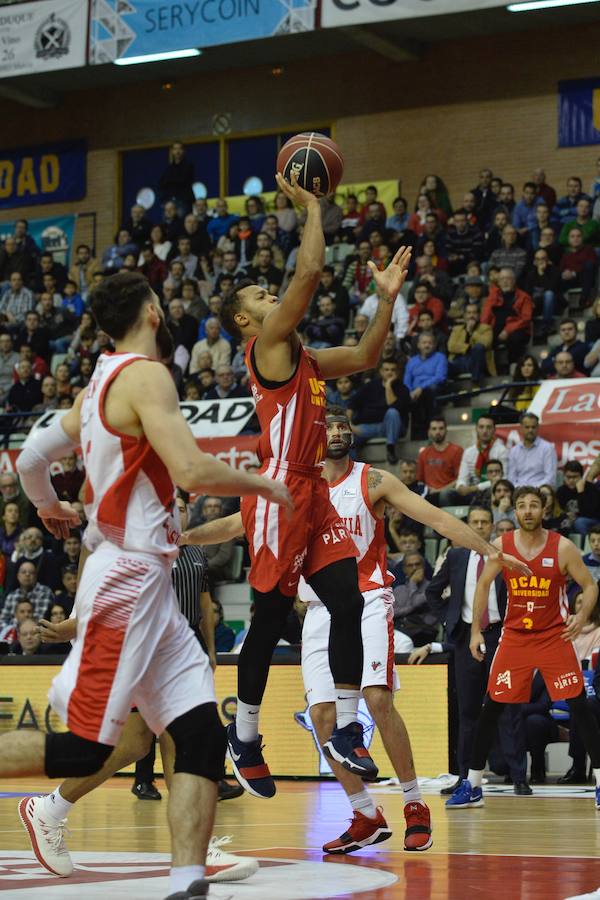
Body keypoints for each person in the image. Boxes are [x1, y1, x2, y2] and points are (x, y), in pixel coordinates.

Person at [1, 271, 291, 900]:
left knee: (198, 736)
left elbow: (27, 461)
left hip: (149, 582)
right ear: (154, 313)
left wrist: (49, 505)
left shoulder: (96, 384)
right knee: (82, 750)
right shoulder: (147, 374)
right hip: (127, 577)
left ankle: (187, 883)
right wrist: (266, 485)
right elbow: (189, 467)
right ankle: (45, 808)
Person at [184, 407, 529, 851]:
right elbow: (237, 526)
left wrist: (489, 551)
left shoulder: (373, 482)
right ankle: (366, 814)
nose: (339, 432)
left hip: (366, 599)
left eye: (345, 425)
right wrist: (186, 538)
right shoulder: (294, 488)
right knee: (322, 716)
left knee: (377, 699)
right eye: (330, 426)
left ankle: (413, 805)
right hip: (318, 610)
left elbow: (437, 520)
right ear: (311, 436)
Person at [218, 171, 414, 799]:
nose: (274, 301)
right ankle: (244, 736)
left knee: (350, 601)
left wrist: (385, 300)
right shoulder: (270, 345)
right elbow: (305, 279)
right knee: (273, 616)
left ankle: (348, 728)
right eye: (262, 299)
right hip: (279, 492)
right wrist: (313, 207)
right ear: (249, 322)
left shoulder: (304, 359)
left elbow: (362, 356)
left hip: (314, 492)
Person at [446, 487, 600, 810]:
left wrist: (581, 615)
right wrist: (476, 631)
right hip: (515, 636)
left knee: (579, 706)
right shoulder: (503, 545)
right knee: (492, 708)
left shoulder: (563, 547)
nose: (528, 511)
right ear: (514, 511)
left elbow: (590, 584)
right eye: (521, 506)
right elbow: (484, 584)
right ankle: (472, 784)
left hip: (553, 637)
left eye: (533, 505)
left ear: (543, 509)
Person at [427, 505, 530, 794]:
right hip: (465, 639)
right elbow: (433, 591)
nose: (481, 526)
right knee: (468, 710)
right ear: (467, 526)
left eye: (486, 522)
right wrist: (451, 621)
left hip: (501, 636)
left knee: (508, 707)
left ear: (493, 526)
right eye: (475, 522)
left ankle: (519, 776)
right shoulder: (457, 556)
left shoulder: (504, 557)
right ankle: (464, 777)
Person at [347, 359, 411, 465]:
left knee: (392, 412)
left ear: (397, 372)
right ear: (381, 371)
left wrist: (388, 385)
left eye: (393, 370)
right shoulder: (371, 386)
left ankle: (390, 450)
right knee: (349, 440)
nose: (389, 372)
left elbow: (393, 405)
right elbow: (352, 403)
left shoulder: (403, 389)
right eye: (386, 370)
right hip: (369, 427)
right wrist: (349, 424)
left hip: (393, 428)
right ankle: (353, 467)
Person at [481, 267, 533, 365]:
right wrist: (484, 329)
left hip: (517, 328)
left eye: (508, 278)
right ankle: (489, 370)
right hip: (495, 328)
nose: (505, 281)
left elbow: (526, 319)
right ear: (498, 282)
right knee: (481, 341)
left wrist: (507, 331)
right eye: (502, 279)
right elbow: (485, 315)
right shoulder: (493, 295)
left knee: (515, 338)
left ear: (514, 281)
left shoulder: (524, 297)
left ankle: (513, 366)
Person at [456, 416, 508, 499]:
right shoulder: (469, 452)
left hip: (492, 490)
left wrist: (476, 487)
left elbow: (503, 479)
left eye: (488, 427)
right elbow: (462, 478)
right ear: (476, 429)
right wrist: (461, 486)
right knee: (447, 495)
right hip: (471, 491)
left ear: (494, 430)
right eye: (481, 427)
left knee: (490, 492)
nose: (485, 431)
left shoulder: (501, 450)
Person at [416, 417, 463, 506]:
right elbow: (420, 481)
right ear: (429, 431)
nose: (437, 432)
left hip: (449, 492)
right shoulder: (423, 454)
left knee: (444, 495)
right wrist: (429, 490)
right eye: (434, 429)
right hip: (429, 494)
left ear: (446, 430)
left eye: (441, 428)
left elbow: (460, 479)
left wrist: (440, 490)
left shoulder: (457, 451)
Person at [447, 302, 494, 384]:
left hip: (476, 360)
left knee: (478, 348)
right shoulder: (457, 329)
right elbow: (451, 346)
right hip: (459, 361)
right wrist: (468, 348)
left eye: (474, 313)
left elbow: (486, 343)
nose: (471, 316)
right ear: (464, 315)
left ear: (479, 315)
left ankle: (476, 381)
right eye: (469, 313)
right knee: (441, 360)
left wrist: (471, 332)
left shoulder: (486, 328)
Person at [507, 412, 557, 488]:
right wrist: (520, 490)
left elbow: (550, 478)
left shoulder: (547, 448)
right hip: (519, 492)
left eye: (533, 427)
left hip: (540, 492)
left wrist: (533, 490)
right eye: (527, 427)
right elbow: (511, 478)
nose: (530, 430)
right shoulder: (514, 451)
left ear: (538, 428)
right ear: (521, 428)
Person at [557, 460, 600, 535]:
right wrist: (566, 515)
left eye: (575, 477)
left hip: (590, 520)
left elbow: (591, 513)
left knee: (579, 522)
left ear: (581, 476)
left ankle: (587, 545)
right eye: (568, 477)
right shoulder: (561, 491)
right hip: (570, 520)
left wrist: (581, 493)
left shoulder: (590, 488)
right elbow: (557, 511)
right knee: (562, 523)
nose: (571, 480)